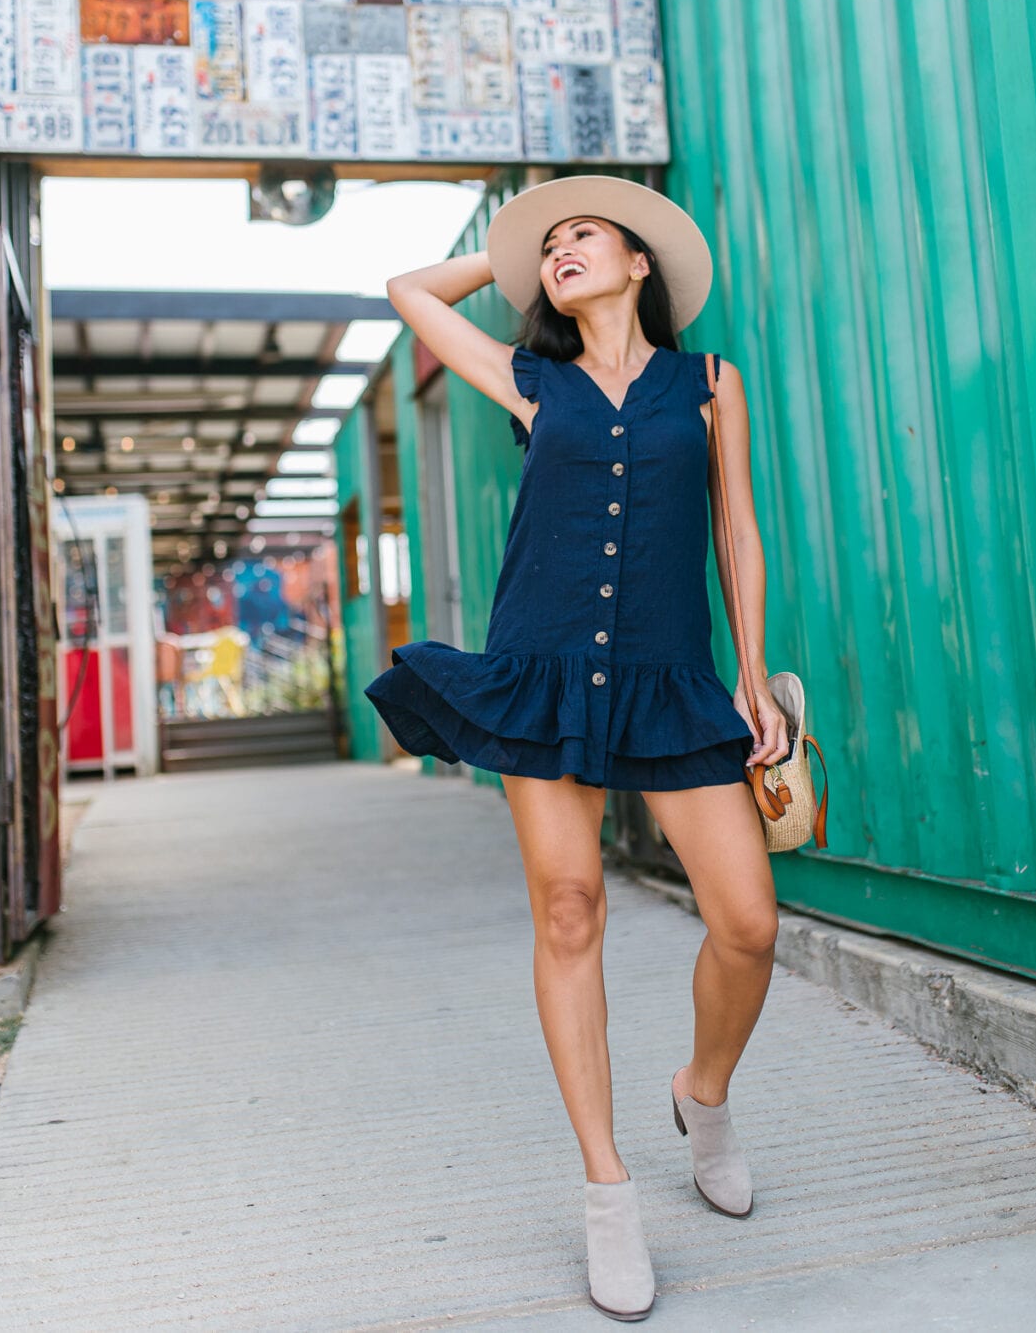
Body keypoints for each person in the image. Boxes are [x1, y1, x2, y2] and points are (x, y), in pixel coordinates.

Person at [364, 176, 790, 1322]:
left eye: (583, 236)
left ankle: (702, 1096)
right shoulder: (528, 378)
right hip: (542, 674)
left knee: (748, 922)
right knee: (568, 909)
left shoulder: (709, 385)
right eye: (547, 246)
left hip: (673, 681)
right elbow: (408, 289)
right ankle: (609, 1189)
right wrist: (514, 264)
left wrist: (752, 674)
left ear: (642, 262)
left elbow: (736, 525)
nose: (560, 251)